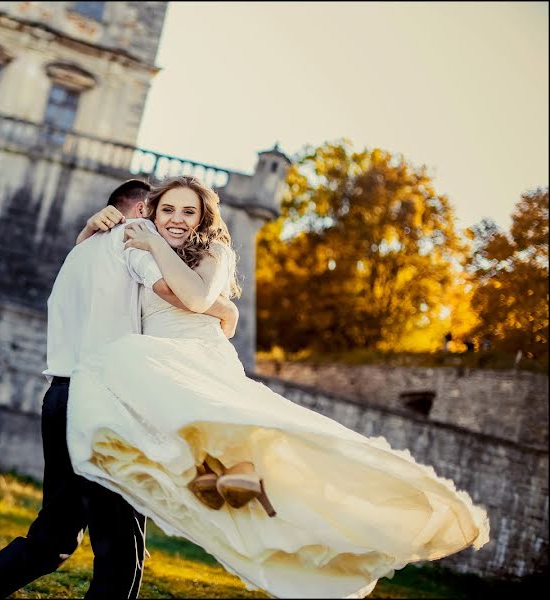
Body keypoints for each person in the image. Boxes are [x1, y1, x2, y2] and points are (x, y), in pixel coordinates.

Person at [66, 175, 491, 599]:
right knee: (194, 467)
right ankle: (245, 502)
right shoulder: (140, 252)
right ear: (151, 212)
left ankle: (315, 516)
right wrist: (92, 229)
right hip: (160, 365)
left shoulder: (214, 251)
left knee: (259, 446)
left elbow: (194, 297)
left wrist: (174, 262)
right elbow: (89, 275)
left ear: (202, 218)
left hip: (198, 361)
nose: (177, 219)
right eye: (168, 210)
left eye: (188, 211)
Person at [0, 179, 240, 599]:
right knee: (121, 551)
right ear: (139, 212)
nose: (162, 223)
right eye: (158, 211)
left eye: (183, 212)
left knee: (53, 538)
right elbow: (174, 290)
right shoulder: (135, 245)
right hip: (103, 402)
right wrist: (224, 306)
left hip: (59, 397)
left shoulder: (80, 252)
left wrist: (88, 231)